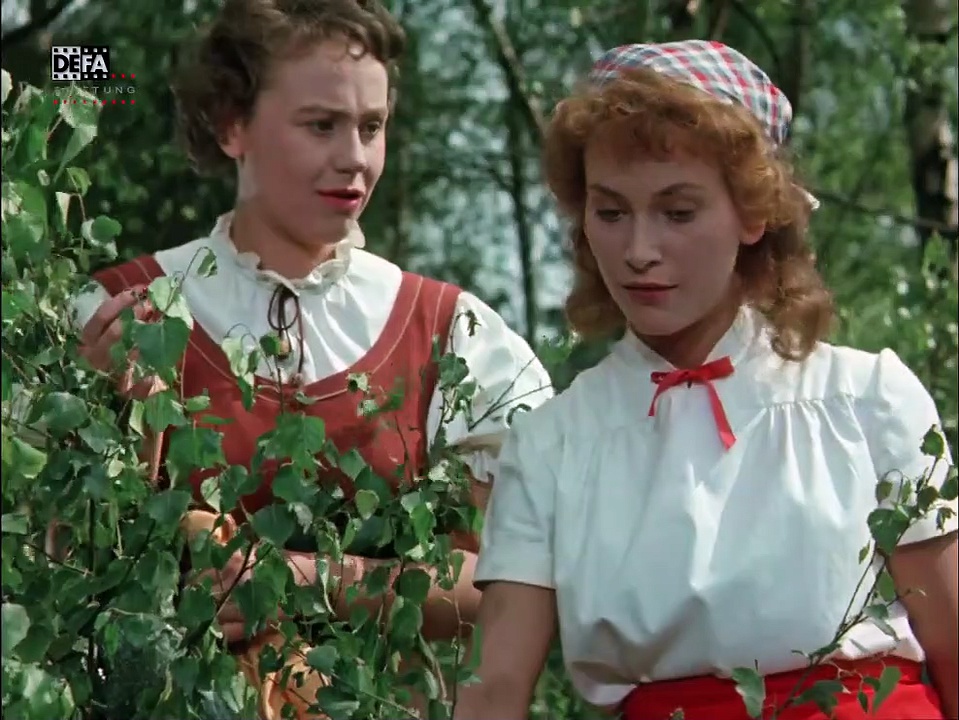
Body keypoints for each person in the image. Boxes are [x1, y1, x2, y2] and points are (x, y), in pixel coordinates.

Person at [69, 0, 552, 715]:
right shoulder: (114, 312)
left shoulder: (453, 334)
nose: (354, 157)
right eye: (321, 125)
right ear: (232, 125)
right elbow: (56, 578)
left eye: (371, 127)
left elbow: (510, 586)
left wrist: (308, 577)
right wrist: (113, 416)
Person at [452, 40, 958, 720]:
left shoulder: (866, 401)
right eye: (611, 212)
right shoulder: (553, 444)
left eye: (678, 212)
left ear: (753, 212)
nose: (638, 251)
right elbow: (494, 690)